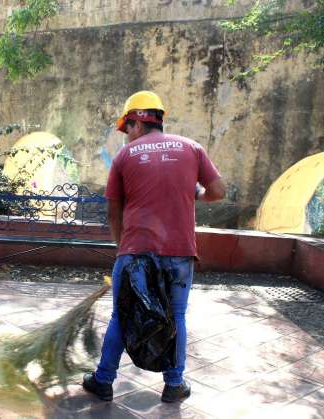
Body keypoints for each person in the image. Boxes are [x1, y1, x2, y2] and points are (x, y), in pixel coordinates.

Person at [82, 91, 226, 403]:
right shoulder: (192, 148)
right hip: (179, 253)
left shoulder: (125, 156)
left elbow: (113, 211)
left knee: (122, 316)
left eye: (127, 129)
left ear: (135, 122)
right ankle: (174, 385)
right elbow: (218, 190)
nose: (126, 136)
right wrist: (196, 194)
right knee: (177, 316)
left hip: (135, 252)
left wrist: (124, 250)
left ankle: (103, 380)